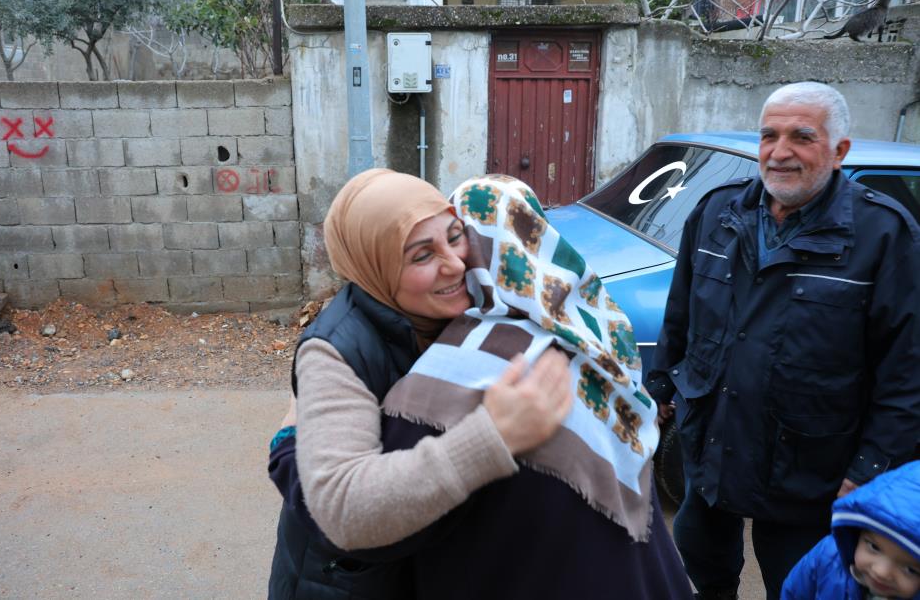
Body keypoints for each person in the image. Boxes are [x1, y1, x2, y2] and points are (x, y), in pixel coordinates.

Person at [268, 169, 693, 599]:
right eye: (420, 256)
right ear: (373, 264)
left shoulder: (486, 326)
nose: (454, 263)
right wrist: (492, 436)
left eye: (455, 236)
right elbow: (339, 512)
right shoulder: (336, 351)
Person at [645, 81, 920, 600]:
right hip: (714, 448)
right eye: (769, 135)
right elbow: (679, 313)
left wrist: (869, 472)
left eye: (802, 136)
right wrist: (658, 386)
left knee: (800, 588)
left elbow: (905, 373)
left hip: (809, 470)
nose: (780, 151)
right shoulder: (716, 214)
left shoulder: (883, 235)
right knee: (702, 575)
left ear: (840, 151)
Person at [781, 461, 920, 599]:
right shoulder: (827, 557)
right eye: (874, 547)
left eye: (910, 569)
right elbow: (794, 593)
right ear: (857, 532)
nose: (881, 572)